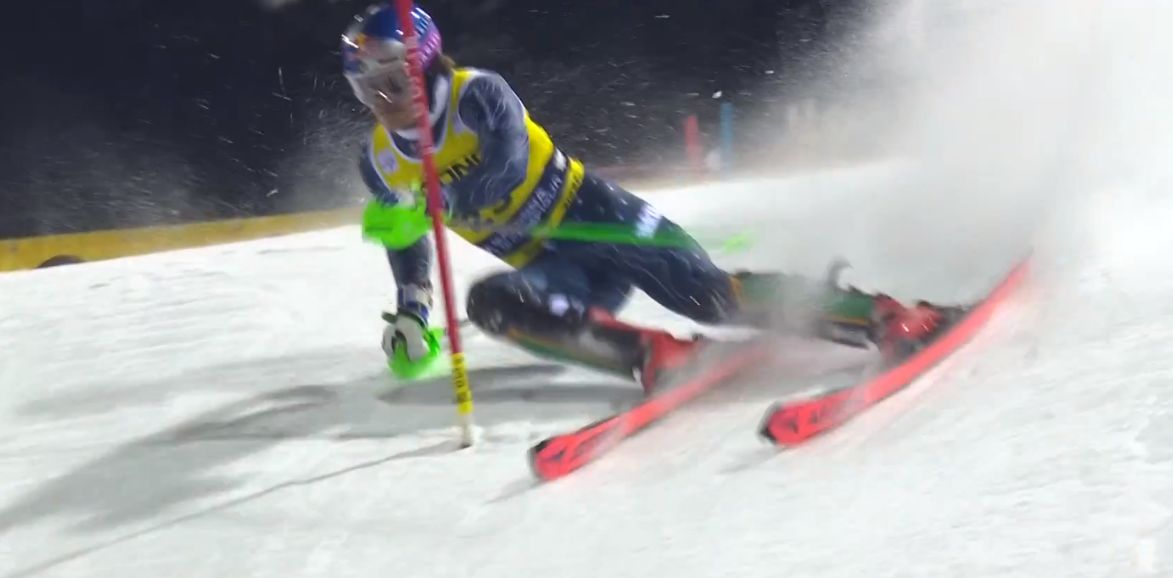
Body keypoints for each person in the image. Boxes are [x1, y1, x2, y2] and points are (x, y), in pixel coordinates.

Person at [343, 2, 959, 395]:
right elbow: (409, 239)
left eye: (393, 82)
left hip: (594, 215)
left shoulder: (479, 95)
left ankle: (882, 316)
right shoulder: (380, 159)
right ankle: (653, 356)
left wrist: (440, 200)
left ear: (425, 67)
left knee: (711, 298)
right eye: (369, 90)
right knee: (492, 302)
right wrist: (412, 310)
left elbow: (504, 168)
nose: (383, 101)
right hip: (555, 267)